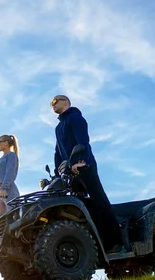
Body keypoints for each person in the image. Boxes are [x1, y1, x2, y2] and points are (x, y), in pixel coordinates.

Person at [51, 95, 125, 254]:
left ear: (66, 102)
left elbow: (83, 142)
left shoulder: (75, 118)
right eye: (51, 103)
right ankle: (99, 244)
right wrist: (58, 172)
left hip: (84, 167)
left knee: (99, 202)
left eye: (55, 101)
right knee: (84, 207)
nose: (53, 105)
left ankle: (117, 242)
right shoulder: (58, 128)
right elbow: (58, 152)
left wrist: (80, 161)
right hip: (70, 173)